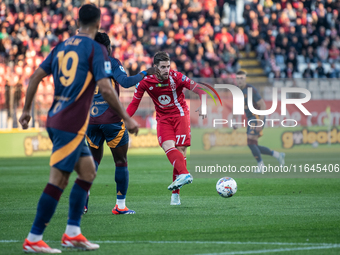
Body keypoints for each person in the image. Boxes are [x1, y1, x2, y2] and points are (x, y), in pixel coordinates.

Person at [19, 4, 138, 253]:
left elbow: (35, 77)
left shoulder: (61, 47)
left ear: (77, 23)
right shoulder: (96, 49)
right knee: (58, 180)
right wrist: (127, 118)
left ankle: (72, 232)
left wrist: (27, 110)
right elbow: (107, 88)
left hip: (60, 119)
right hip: (69, 124)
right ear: (97, 24)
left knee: (88, 172)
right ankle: (33, 237)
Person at [84, 32, 160, 214]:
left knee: (93, 162)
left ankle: (82, 204)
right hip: (112, 120)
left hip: (91, 121)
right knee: (121, 161)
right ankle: (120, 206)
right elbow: (126, 82)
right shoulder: (112, 62)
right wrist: (144, 73)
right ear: (108, 47)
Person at [126, 51, 205, 205]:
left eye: (168, 66)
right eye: (162, 67)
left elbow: (200, 90)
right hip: (163, 118)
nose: (166, 70)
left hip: (180, 114)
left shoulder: (177, 77)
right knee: (167, 146)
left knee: (181, 152)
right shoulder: (145, 81)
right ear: (155, 67)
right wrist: (125, 118)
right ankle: (185, 174)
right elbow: (134, 103)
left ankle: (175, 195)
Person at [234, 70, 285, 172]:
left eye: (242, 78)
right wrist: (234, 121)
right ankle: (277, 155)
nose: (240, 80)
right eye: (238, 78)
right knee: (253, 144)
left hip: (256, 117)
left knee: (250, 142)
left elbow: (263, 105)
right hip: (250, 118)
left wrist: (260, 122)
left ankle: (261, 165)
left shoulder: (251, 90)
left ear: (245, 79)